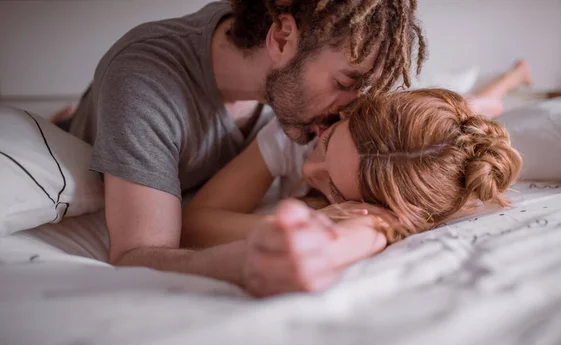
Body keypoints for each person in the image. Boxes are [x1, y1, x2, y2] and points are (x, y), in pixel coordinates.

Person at [49, 1, 427, 296]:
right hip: (94, 129)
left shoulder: (295, 97)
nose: (348, 109)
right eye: (345, 82)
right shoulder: (144, 82)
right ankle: (62, 119)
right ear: (281, 39)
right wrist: (244, 262)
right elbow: (135, 254)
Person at [180, 89, 523, 286]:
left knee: (482, 107)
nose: (308, 168)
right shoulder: (303, 129)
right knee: (476, 104)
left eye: (335, 188)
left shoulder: (409, 190)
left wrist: (330, 232)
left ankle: (501, 91)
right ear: (347, 114)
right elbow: (194, 223)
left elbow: (374, 228)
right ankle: (496, 91)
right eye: (327, 144)